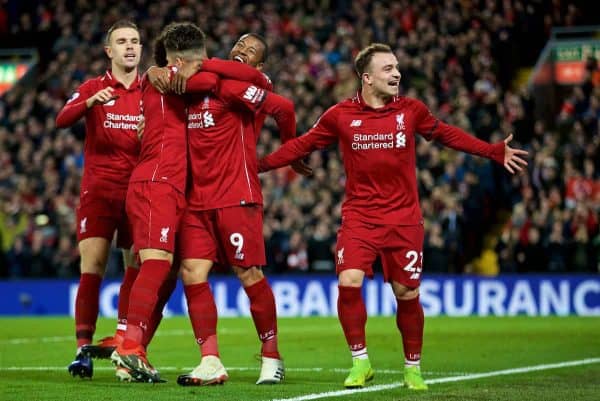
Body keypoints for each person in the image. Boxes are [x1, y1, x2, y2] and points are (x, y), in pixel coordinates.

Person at [258, 43, 528, 390]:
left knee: (406, 294)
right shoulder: (340, 115)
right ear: (366, 78)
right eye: (388, 68)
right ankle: (360, 362)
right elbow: (302, 145)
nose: (397, 73)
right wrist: (259, 165)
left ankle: (412, 367)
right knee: (349, 281)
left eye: (397, 67)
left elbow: (446, 134)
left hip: (403, 220)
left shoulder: (411, 110)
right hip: (359, 217)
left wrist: (491, 150)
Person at [111, 23, 275, 384]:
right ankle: (129, 345)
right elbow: (211, 82)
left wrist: (192, 66)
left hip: (179, 190)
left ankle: (144, 353)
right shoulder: (169, 78)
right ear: (183, 60)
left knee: (169, 273)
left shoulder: (166, 85)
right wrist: (186, 69)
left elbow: (241, 83)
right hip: (159, 183)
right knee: (156, 265)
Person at [149, 33, 308, 386]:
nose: (241, 52)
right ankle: (210, 360)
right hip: (195, 201)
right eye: (238, 46)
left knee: (248, 273)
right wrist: (155, 71)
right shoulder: (200, 86)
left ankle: (271, 357)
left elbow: (284, 108)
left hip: (236, 194)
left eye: (250, 51)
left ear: (259, 65)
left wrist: (289, 152)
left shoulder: (240, 87)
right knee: (192, 272)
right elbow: (177, 77)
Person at [55, 19, 143, 379]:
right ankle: (82, 350)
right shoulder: (93, 88)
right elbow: (62, 119)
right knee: (91, 268)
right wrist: (91, 102)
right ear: (109, 51)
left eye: (135, 41)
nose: (130, 47)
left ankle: (125, 342)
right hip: (99, 191)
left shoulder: (150, 92)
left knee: (134, 270)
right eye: (122, 41)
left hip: (138, 193)